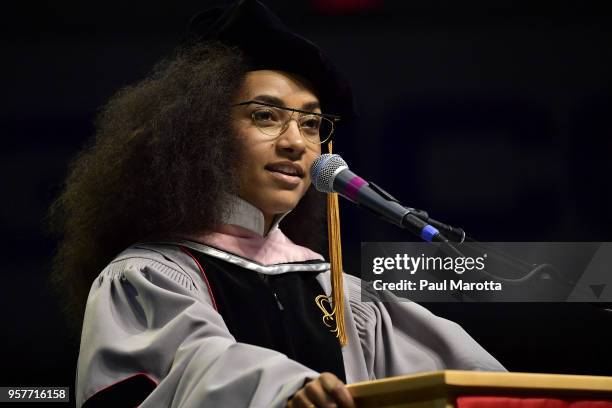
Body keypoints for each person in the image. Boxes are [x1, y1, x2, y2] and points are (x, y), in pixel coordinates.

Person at [49, 1, 505, 407]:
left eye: (311, 124)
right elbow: (196, 364)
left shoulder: (340, 294)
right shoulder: (148, 278)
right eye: (265, 115)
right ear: (201, 132)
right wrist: (284, 389)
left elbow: (477, 383)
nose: (295, 143)